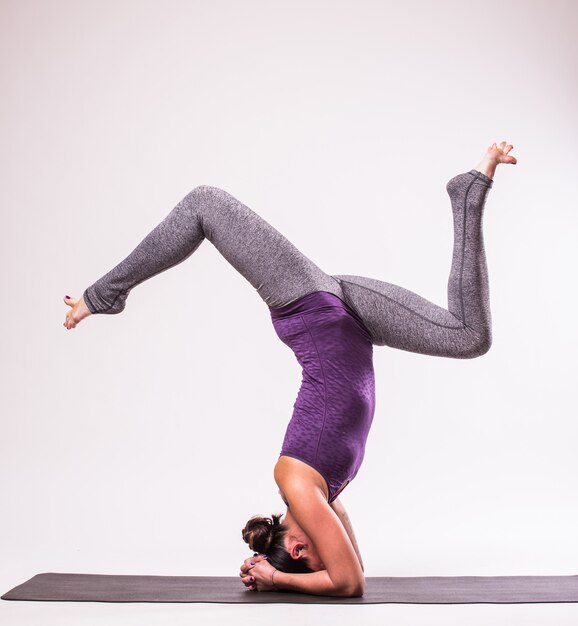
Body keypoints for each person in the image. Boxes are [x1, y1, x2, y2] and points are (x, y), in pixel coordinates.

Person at [63, 141, 517, 597]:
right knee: (469, 337)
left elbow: (346, 582)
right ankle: (468, 192)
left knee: (206, 203)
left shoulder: (298, 487)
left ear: (299, 549)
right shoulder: (323, 496)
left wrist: (274, 575)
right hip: (353, 318)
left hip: (310, 305)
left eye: (316, 550)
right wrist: (270, 569)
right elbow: (354, 572)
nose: (330, 546)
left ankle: (105, 295)